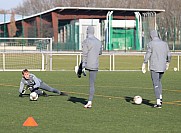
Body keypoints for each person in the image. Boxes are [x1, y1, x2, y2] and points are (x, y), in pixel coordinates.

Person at [142, 30, 171, 108]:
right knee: (159, 82)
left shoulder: (151, 44)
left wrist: (144, 63)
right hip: (163, 66)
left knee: (155, 83)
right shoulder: (164, 44)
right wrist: (168, 62)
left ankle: (158, 102)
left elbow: (148, 54)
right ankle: (160, 98)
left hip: (154, 66)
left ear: (151, 36)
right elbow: (169, 54)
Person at [81, 26, 102, 108]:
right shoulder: (98, 42)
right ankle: (90, 101)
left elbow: (84, 54)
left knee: (80, 68)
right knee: (92, 84)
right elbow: (100, 52)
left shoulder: (86, 41)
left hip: (87, 64)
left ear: (87, 31)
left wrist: (83, 65)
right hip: (95, 65)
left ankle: (80, 71)